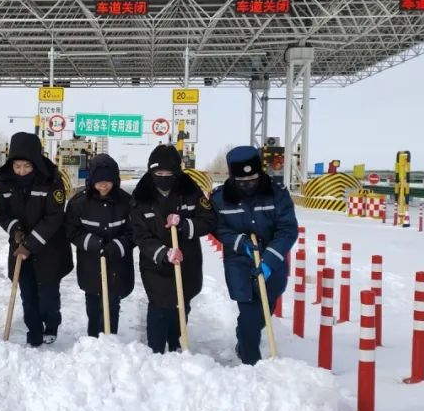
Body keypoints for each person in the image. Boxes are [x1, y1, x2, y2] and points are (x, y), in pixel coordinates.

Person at [212, 146, 298, 365]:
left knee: (265, 309)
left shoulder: (276, 194)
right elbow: (217, 227)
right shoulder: (221, 198)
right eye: (242, 181)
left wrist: (269, 260)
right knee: (249, 312)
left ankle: (245, 336)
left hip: (272, 260)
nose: (247, 184)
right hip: (239, 262)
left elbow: (287, 230)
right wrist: (240, 243)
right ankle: (251, 361)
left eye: (252, 178)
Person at [130, 144, 216, 353]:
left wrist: (185, 224)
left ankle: (176, 341)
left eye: (169, 173)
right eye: (159, 173)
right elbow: (139, 234)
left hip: (188, 259)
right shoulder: (141, 197)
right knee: (160, 305)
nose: (164, 177)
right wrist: (163, 252)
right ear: (151, 171)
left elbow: (208, 220)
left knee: (181, 303)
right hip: (155, 262)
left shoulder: (190, 191)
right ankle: (156, 350)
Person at [0, 132, 73, 347]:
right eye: (17, 166)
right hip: (19, 247)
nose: (21, 172)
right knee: (28, 295)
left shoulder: (51, 180)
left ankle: (51, 324)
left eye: (27, 167)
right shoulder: (5, 181)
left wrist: (30, 244)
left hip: (49, 248)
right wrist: (15, 230)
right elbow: (1, 213)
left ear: (36, 163)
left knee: (47, 295)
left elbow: (54, 217)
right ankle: (34, 329)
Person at [64, 154, 135, 337]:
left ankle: (110, 338)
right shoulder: (79, 203)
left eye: (108, 180)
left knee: (112, 303)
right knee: (93, 303)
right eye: (99, 181)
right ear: (91, 180)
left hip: (117, 264)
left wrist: (117, 246)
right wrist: (93, 243)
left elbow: (134, 231)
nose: (103, 185)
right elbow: (72, 230)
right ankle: (93, 339)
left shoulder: (127, 203)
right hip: (91, 264)